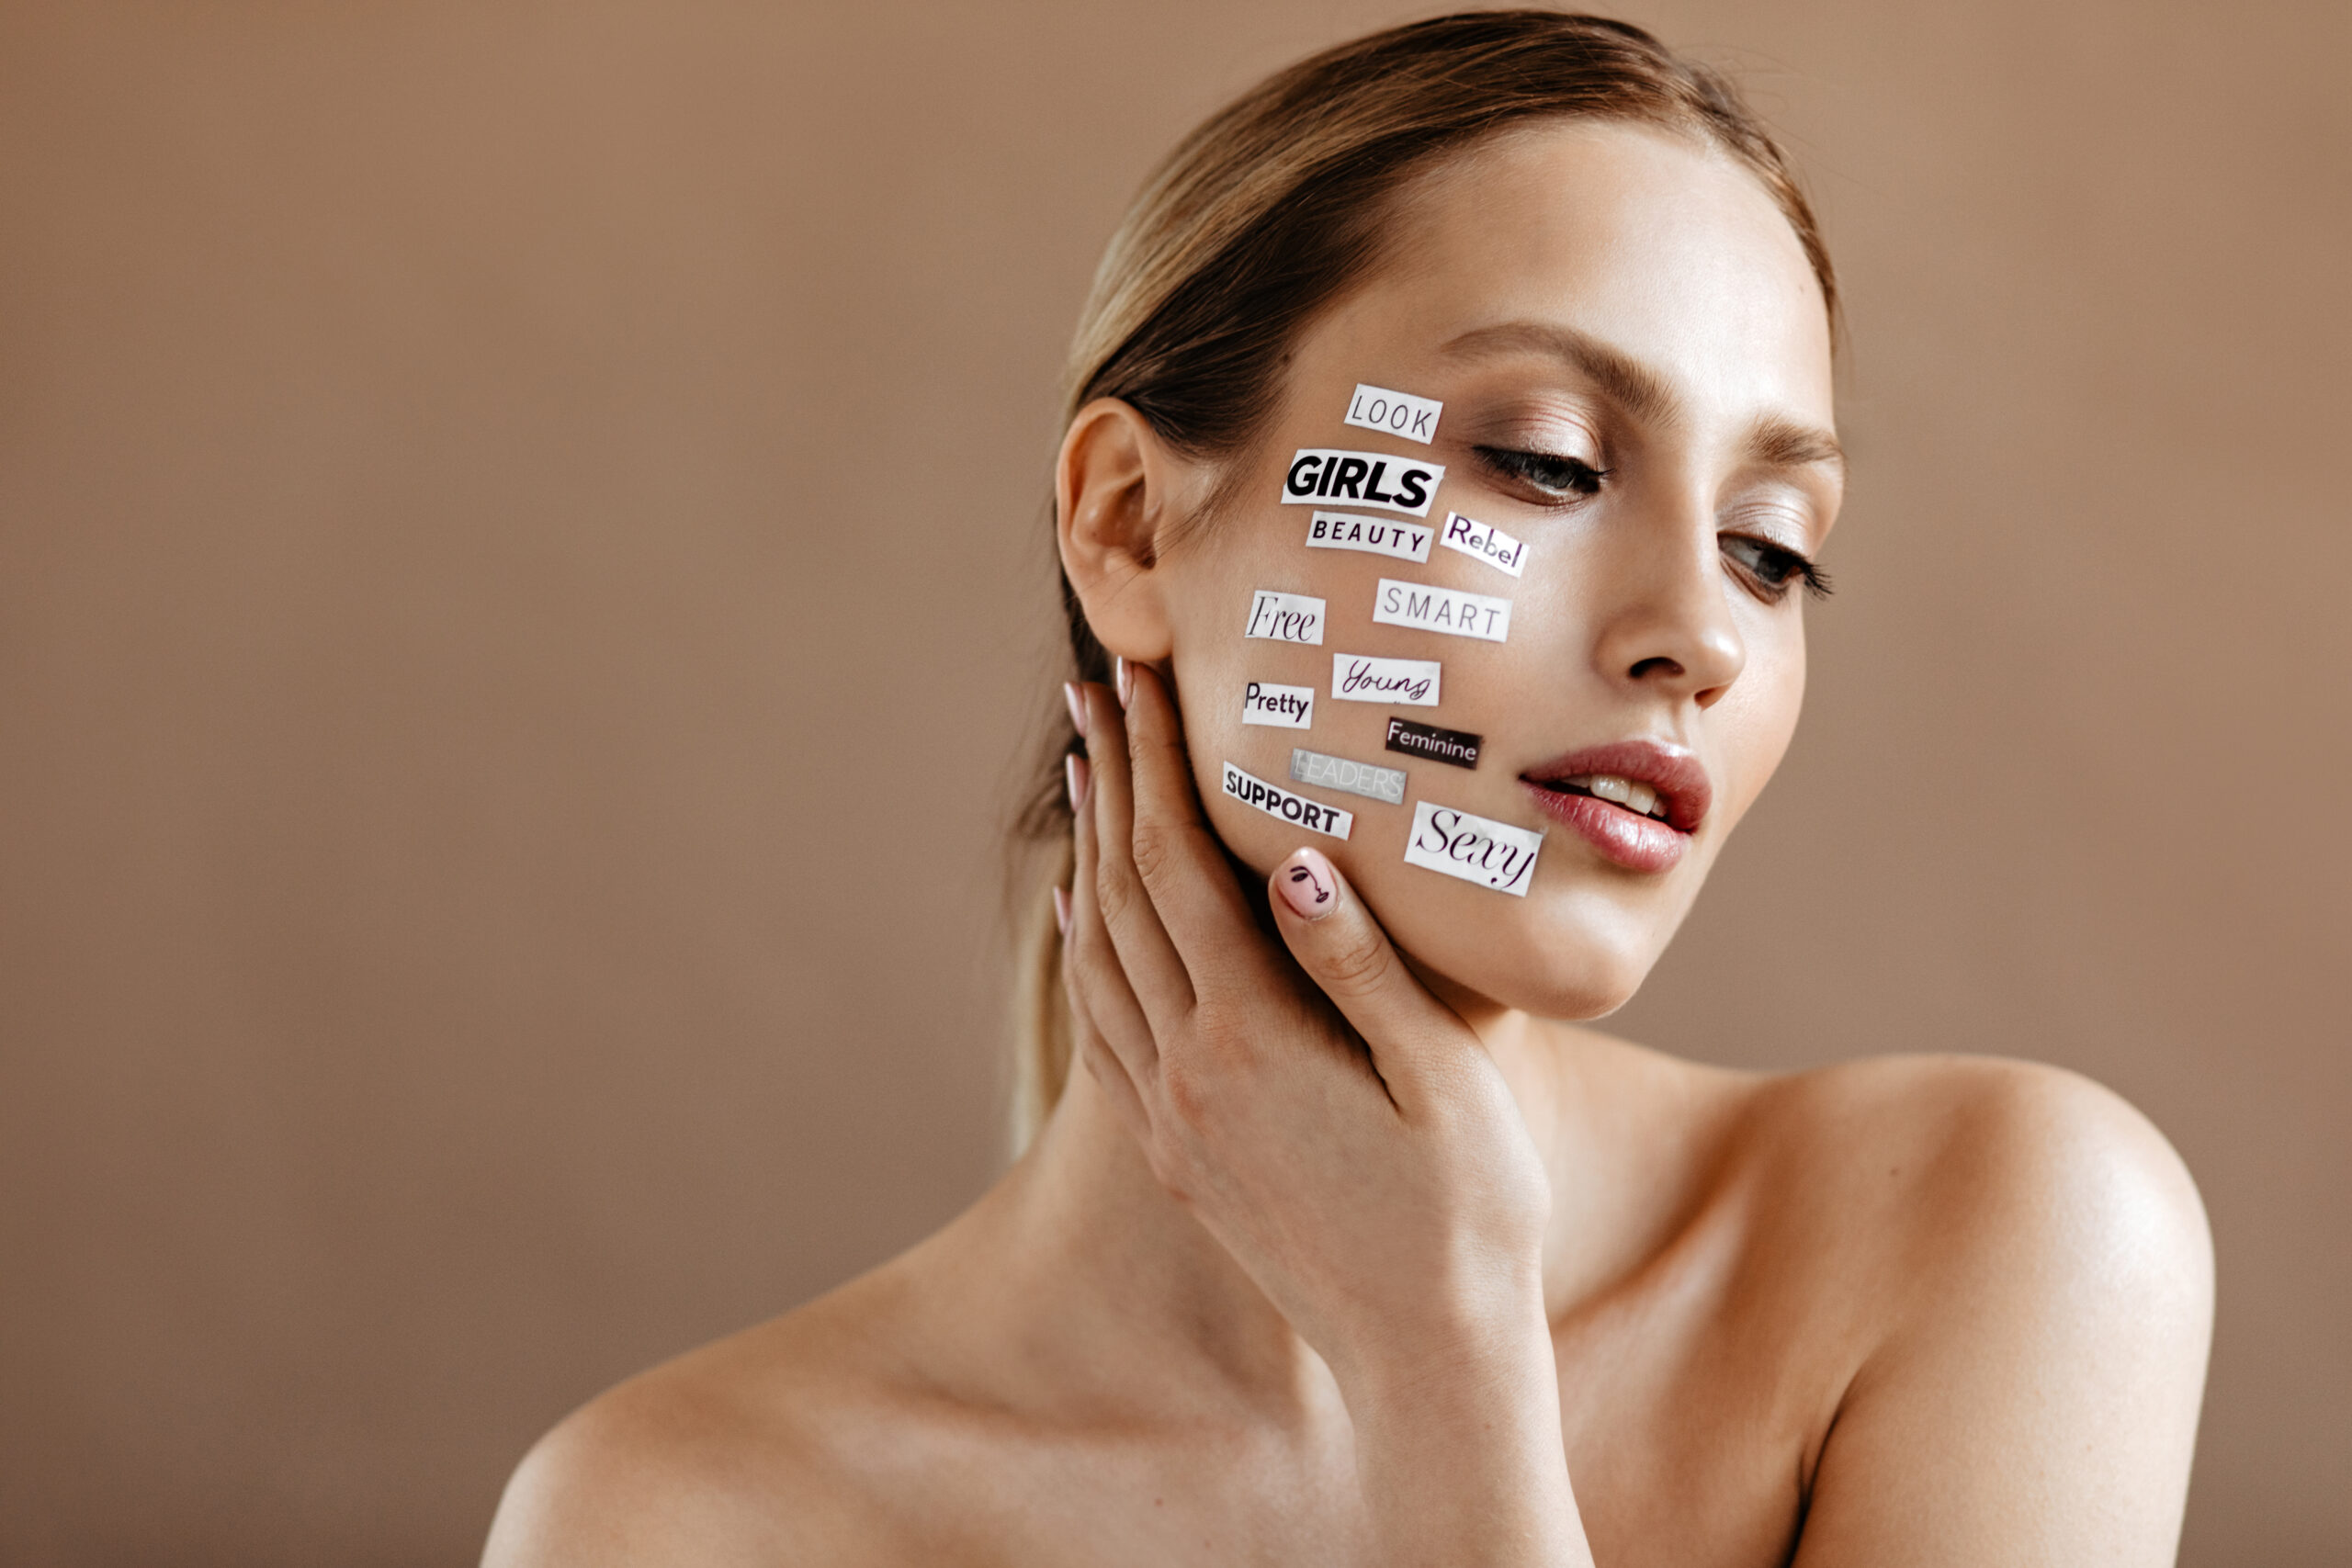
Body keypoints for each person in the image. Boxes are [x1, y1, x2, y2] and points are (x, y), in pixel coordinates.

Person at [482, 14, 2211, 1564]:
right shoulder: (683, 1519)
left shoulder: (2007, 1241)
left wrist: (1442, 1368)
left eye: (1773, 553)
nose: (1702, 632)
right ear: (1130, 525)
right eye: (1542, 461)